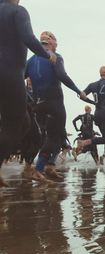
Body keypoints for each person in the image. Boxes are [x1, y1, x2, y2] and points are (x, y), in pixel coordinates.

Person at [0, 0, 57, 186]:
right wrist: (47, 54)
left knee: (24, 123)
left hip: (9, 76)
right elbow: (28, 37)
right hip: (9, 74)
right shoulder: (17, 11)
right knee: (15, 125)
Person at [26, 31, 84, 181]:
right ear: (51, 42)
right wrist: (79, 91)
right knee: (54, 137)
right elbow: (62, 76)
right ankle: (38, 169)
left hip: (39, 105)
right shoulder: (55, 57)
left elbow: (20, 78)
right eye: (55, 41)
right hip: (54, 103)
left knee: (54, 136)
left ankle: (50, 167)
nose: (56, 44)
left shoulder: (31, 60)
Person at [78, 66, 105, 172]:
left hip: (97, 115)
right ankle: (86, 142)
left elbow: (81, 95)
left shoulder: (93, 85)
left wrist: (92, 102)